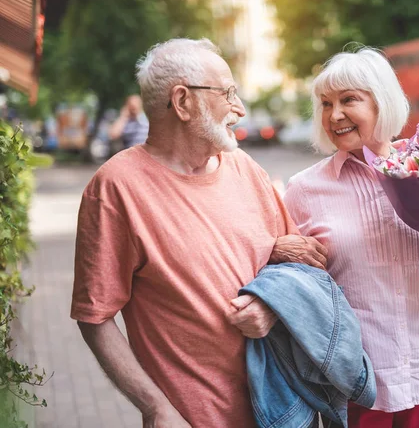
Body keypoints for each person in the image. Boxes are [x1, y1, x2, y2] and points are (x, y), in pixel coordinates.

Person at [71, 38, 325, 428]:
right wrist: (155, 407)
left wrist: (273, 305)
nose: (239, 109)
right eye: (228, 93)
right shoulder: (116, 188)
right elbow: (95, 316)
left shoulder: (246, 169)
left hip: (287, 411)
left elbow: (299, 266)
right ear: (183, 101)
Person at [283, 46, 419, 428]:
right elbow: (291, 286)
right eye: (325, 104)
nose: (334, 114)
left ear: (382, 103)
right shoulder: (303, 190)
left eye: (348, 100)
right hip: (358, 381)